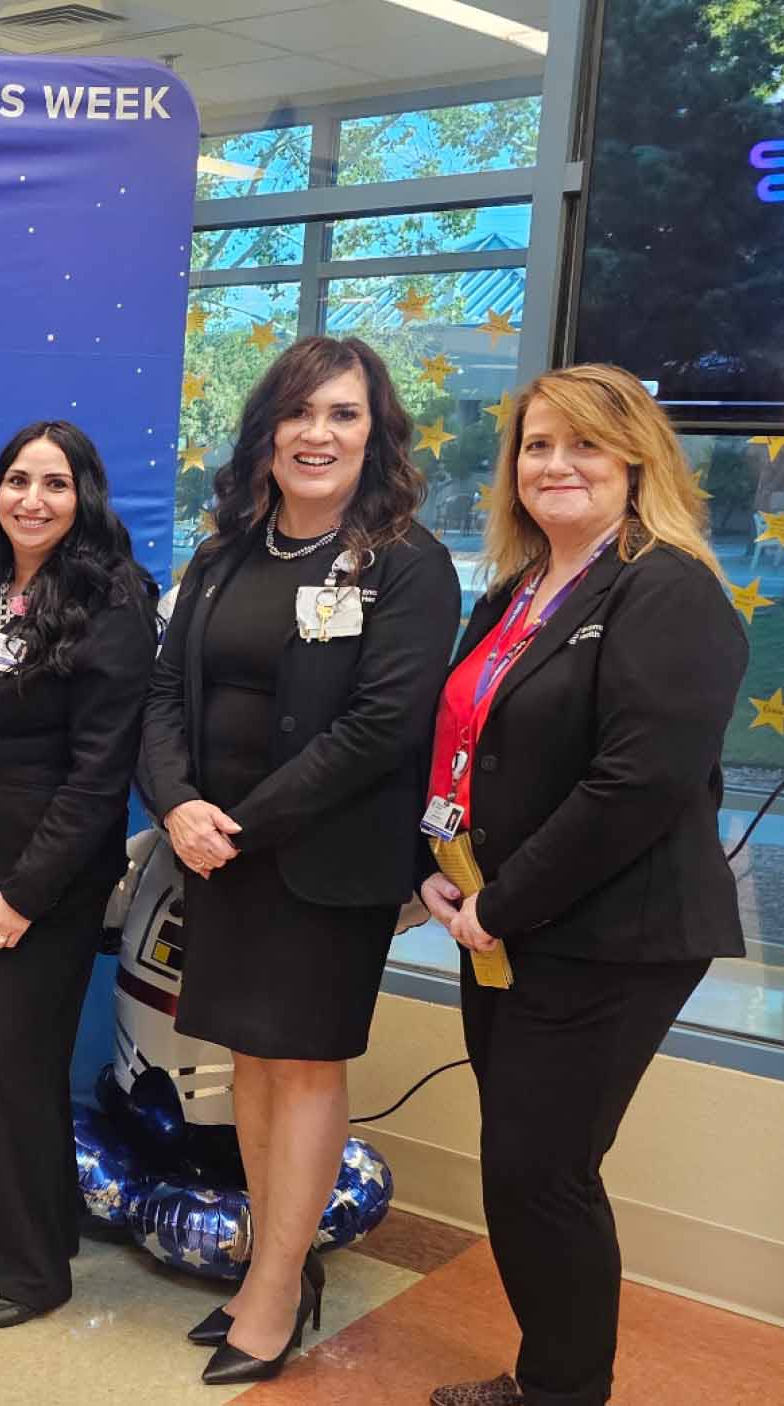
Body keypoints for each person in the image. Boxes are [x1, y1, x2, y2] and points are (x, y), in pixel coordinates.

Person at [416, 366, 745, 1406]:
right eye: (534, 445)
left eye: (584, 444)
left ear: (636, 459)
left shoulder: (668, 587)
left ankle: (562, 1391)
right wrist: (438, 869)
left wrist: (496, 903)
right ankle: (547, 1375)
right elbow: (468, 747)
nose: (553, 464)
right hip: (501, 923)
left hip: (609, 936)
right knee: (522, 1168)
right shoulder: (515, 592)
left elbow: (636, 781)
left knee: (540, 1172)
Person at [139, 336, 457, 1383]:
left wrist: (237, 824)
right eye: (297, 412)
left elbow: (380, 726)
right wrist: (179, 803)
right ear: (265, 430)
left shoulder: (407, 561)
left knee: (304, 1064)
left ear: (376, 434)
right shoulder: (225, 549)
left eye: (344, 414)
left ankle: (275, 1287)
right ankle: (266, 1268)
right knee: (251, 1068)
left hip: (320, 864)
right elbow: (161, 696)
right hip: (215, 855)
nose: (317, 434)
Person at [0, 422, 155, 1327]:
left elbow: (100, 774)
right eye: (17, 481)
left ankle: (25, 1274)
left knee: (11, 1058)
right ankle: (32, 1218)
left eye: (55, 484)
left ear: (85, 497)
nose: (32, 499)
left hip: (45, 877)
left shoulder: (115, 602)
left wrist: (25, 892)